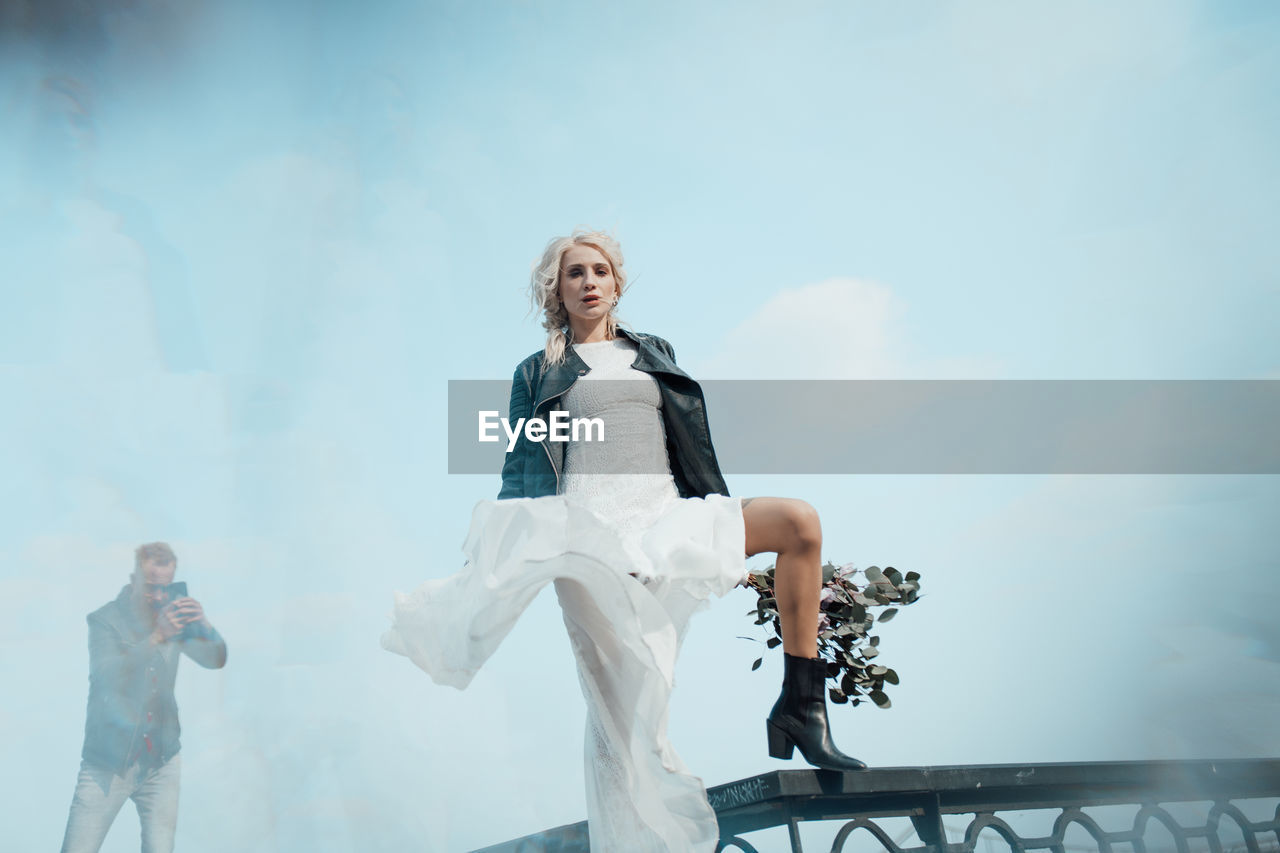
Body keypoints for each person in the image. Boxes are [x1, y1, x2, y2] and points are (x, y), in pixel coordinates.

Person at [383, 229, 865, 852]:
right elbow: (521, 466)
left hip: (667, 519)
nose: (589, 282)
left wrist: (716, 524)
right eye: (575, 273)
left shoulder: (654, 352)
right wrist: (500, 546)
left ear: (617, 282)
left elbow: (689, 444)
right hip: (589, 540)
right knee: (627, 719)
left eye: (600, 271)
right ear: (555, 290)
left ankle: (802, 705)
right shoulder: (536, 373)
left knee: (798, 522)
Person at [60, 542, 227, 853]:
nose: (159, 597)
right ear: (133, 579)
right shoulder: (104, 620)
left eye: (165, 588)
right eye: (151, 587)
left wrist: (204, 626)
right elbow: (107, 677)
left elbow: (214, 659)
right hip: (107, 763)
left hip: (162, 761)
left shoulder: (175, 614)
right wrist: (156, 637)